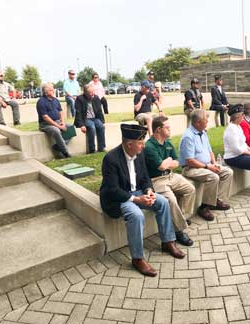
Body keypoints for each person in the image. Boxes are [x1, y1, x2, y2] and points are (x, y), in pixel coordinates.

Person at [99, 124, 185, 277]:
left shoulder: (139, 153)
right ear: (129, 144)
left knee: (163, 202)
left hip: (138, 192)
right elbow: (112, 189)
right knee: (136, 215)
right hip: (119, 197)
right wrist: (137, 199)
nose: (144, 145)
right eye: (140, 142)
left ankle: (167, 242)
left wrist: (149, 191)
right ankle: (137, 258)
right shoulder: (110, 158)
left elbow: (145, 177)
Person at [144, 116, 201, 247]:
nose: (170, 130)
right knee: (171, 200)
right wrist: (168, 162)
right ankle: (179, 231)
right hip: (156, 180)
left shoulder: (168, 143)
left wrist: (167, 162)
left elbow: (177, 162)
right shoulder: (149, 146)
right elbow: (161, 167)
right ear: (158, 129)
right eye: (167, 128)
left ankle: (181, 218)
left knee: (190, 189)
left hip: (171, 176)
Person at [180, 109, 233, 220]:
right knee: (213, 177)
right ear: (197, 122)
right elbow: (189, 160)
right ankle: (204, 207)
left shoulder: (203, 132)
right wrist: (208, 166)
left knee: (228, 172)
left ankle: (216, 201)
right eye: (206, 120)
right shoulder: (188, 137)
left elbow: (210, 151)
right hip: (191, 168)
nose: (208, 122)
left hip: (206, 165)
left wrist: (214, 163)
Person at [37, 83, 71, 158]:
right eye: (51, 90)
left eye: (53, 89)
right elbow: (45, 117)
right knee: (56, 130)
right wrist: (59, 126)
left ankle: (57, 146)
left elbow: (61, 112)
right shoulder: (41, 102)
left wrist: (63, 122)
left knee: (70, 127)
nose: (53, 91)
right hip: (45, 124)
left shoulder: (55, 100)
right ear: (45, 92)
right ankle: (65, 153)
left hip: (58, 121)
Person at [74, 83, 106, 153]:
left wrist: (102, 122)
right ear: (85, 92)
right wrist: (82, 125)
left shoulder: (96, 98)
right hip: (85, 119)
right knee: (92, 128)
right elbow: (78, 113)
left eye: (93, 92)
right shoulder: (80, 99)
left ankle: (101, 148)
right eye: (90, 92)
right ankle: (92, 149)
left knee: (101, 127)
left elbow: (100, 111)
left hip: (95, 118)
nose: (92, 94)